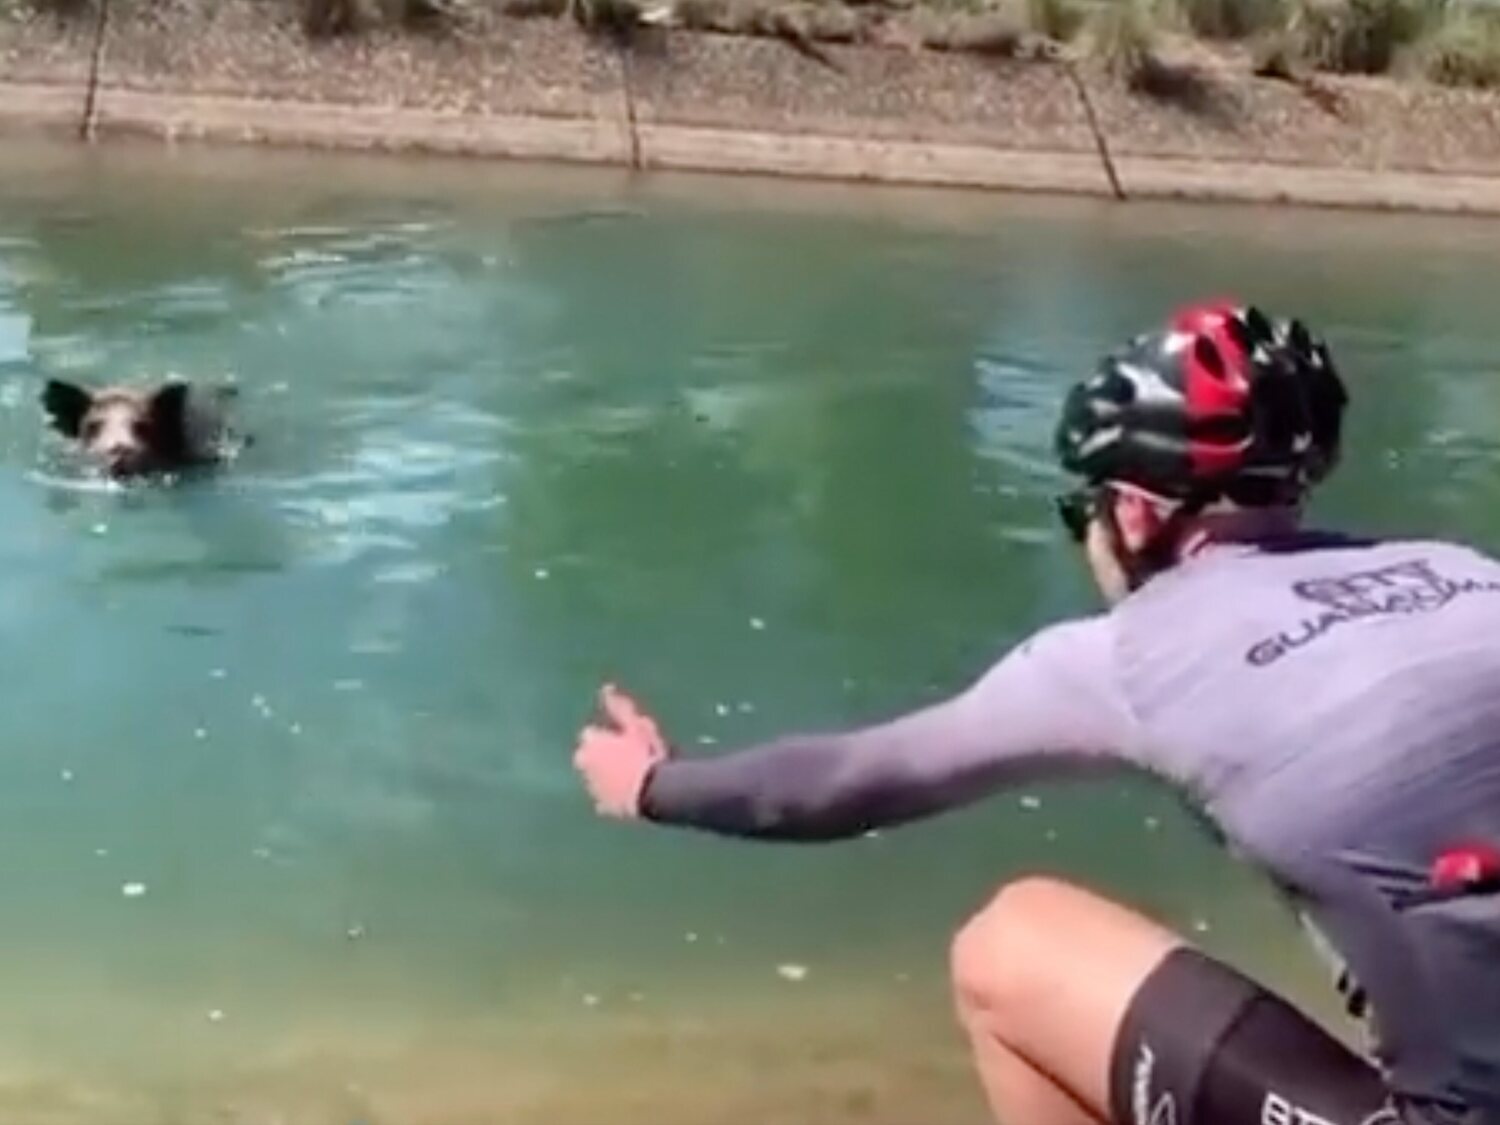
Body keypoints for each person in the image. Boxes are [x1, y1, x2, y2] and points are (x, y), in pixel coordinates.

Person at [572, 300, 1500, 1125]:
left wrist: (654, 783)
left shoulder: (1133, 652)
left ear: (1136, 513)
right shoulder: (1468, 574)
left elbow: (836, 786)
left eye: (1082, 509)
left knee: (1013, 946)